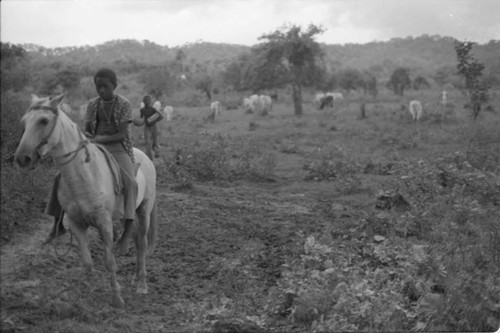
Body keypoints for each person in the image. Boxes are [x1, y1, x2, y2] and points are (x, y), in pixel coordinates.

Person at [44, 68, 137, 253]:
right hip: (92, 146)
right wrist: (86, 138)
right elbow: (87, 129)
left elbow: (121, 134)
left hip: (118, 148)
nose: (101, 90)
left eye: (106, 86)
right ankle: (57, 224)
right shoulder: (93, 104)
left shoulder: (124, 104)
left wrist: (97, 139)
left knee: (131, 182)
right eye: (98, 87)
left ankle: (127, 233)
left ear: (114, 86)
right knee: (60, 177)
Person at [139, 95, 162, 159]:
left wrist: (152, 120)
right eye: (145, 100)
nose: (147, 102)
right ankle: (149, 157)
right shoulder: (142, 110)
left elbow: (160, 116)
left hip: (153, 126)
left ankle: (157, 152)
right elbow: (141, 119)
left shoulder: (152, 109)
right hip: (147, 127)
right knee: (147, 142)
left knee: (155, 141)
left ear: (150, 101)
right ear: (143, 101)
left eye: (148, 100)